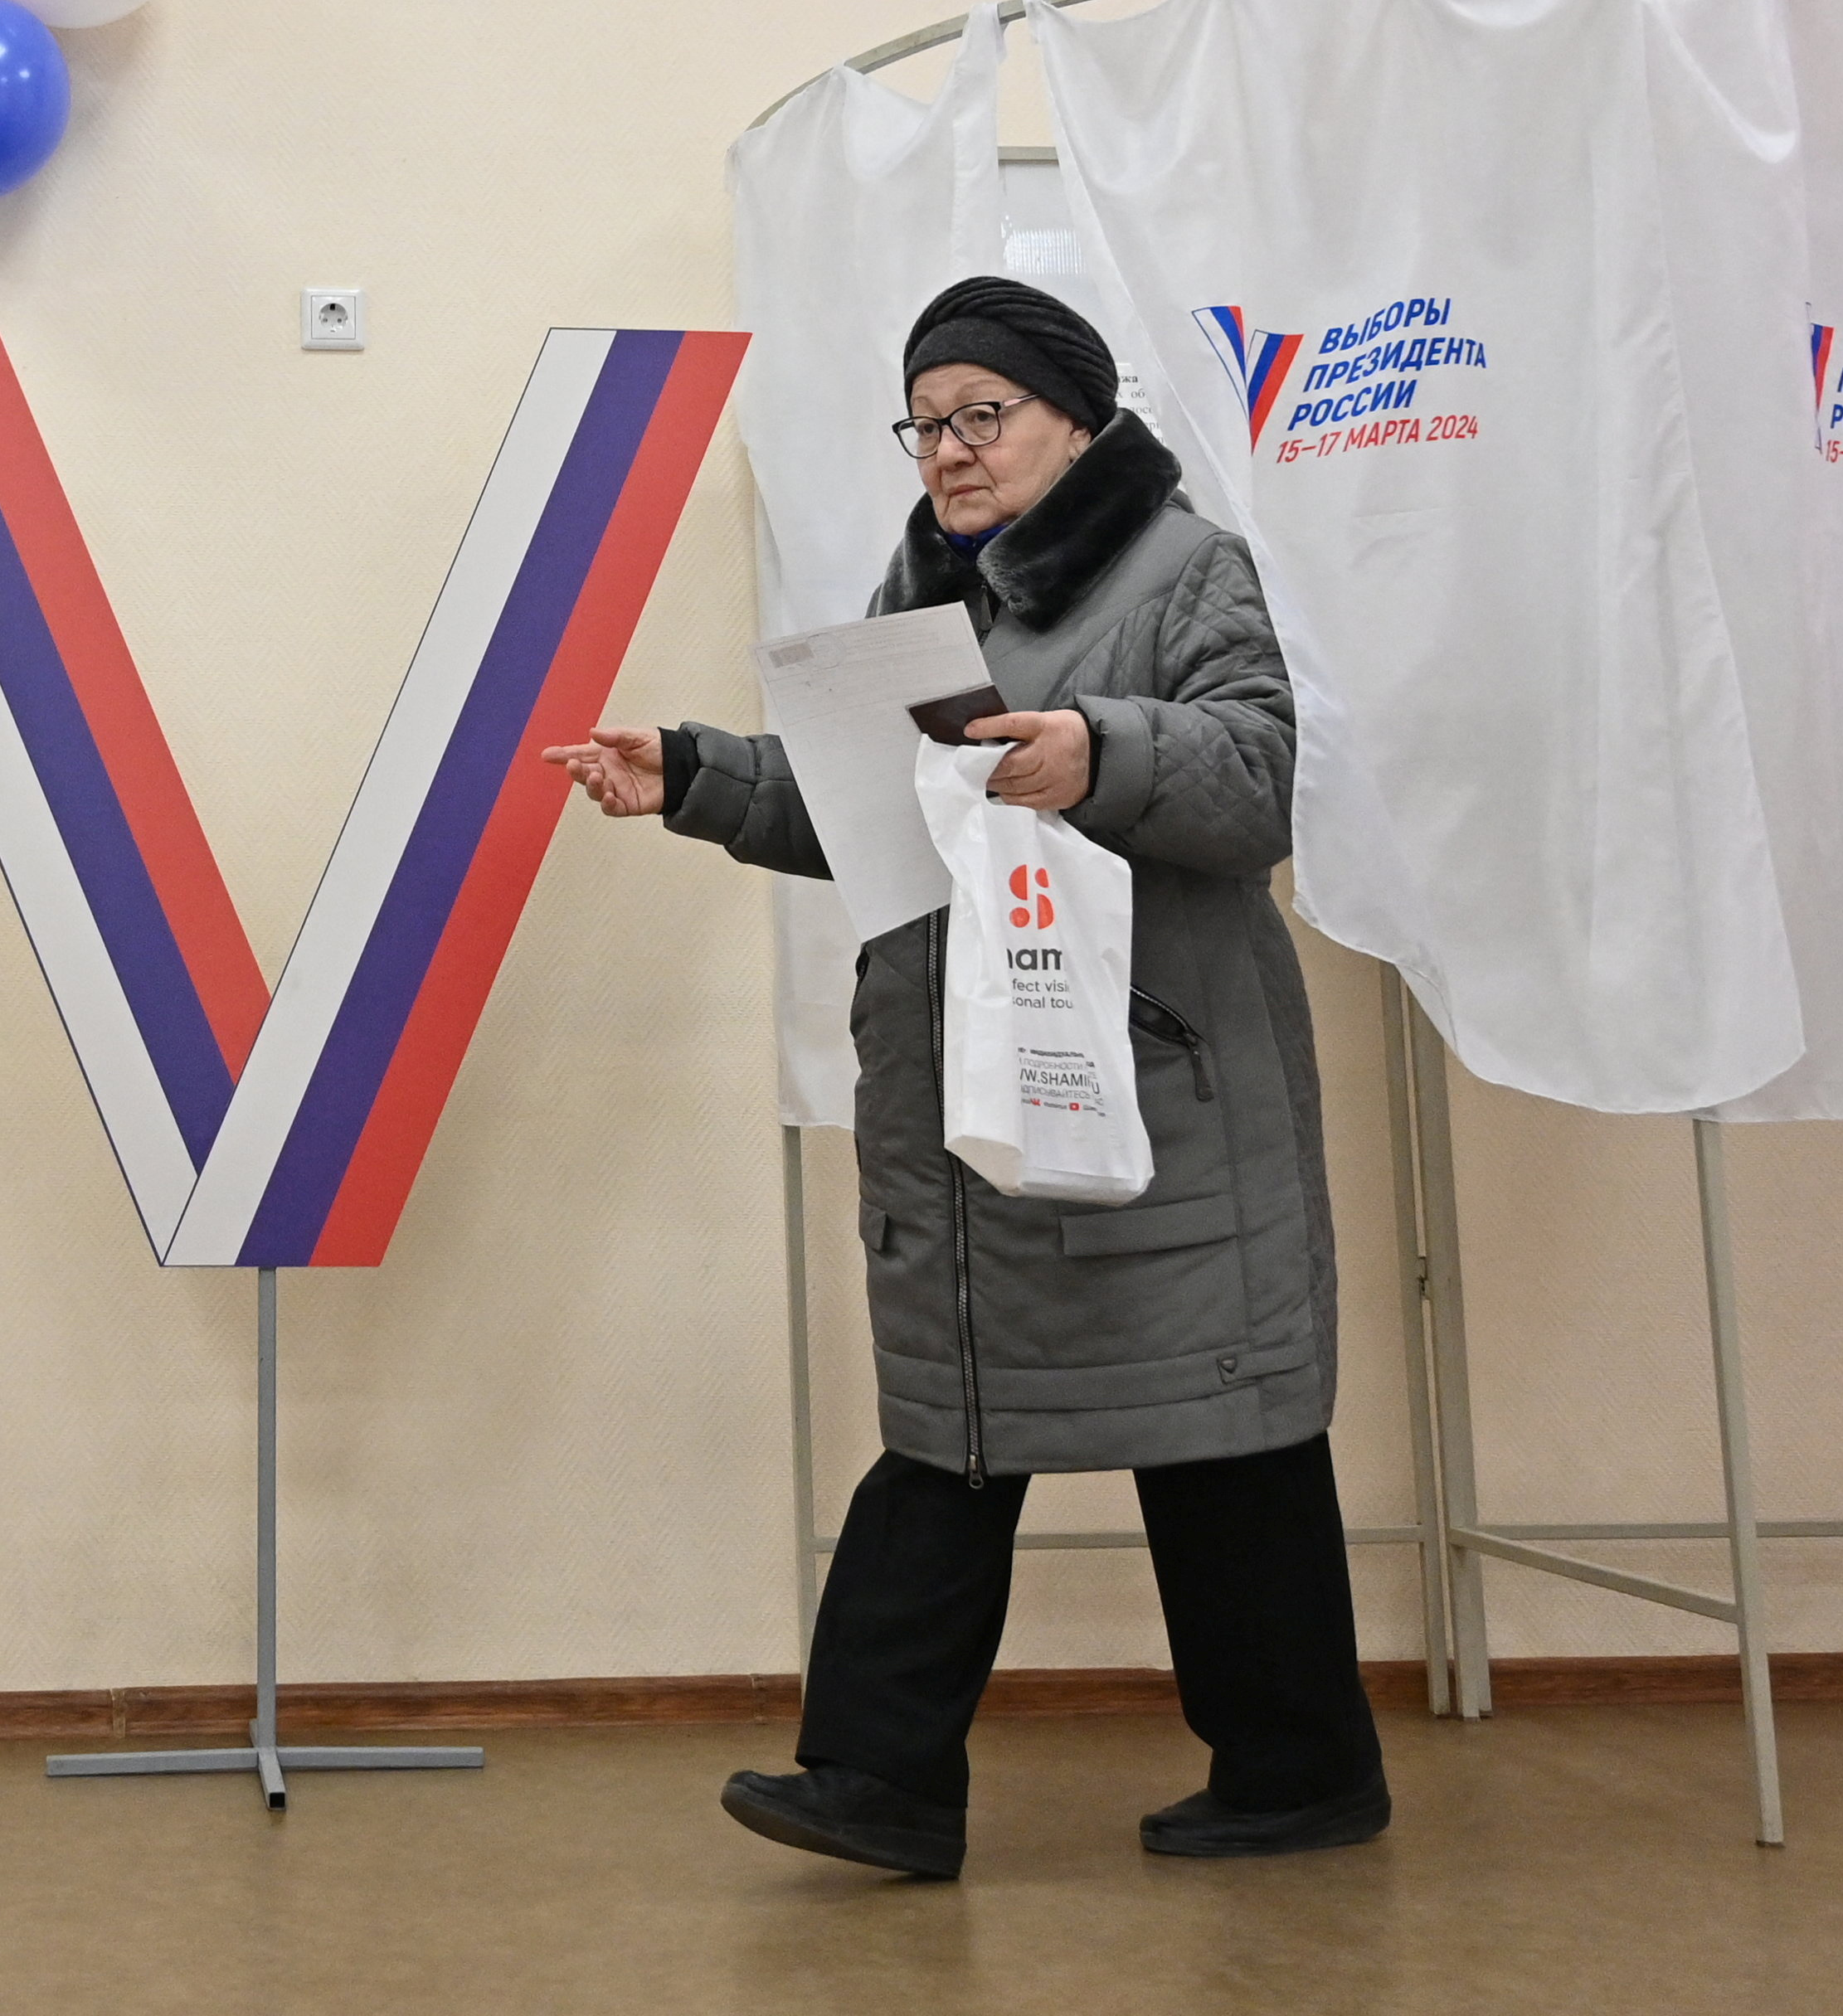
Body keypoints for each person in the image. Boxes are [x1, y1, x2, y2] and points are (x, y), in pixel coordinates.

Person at [545, 274, 1384, 1880]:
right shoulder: (922, 598)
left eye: (977, 414)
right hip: (974, 1110)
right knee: (951, 1429)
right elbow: (875, 814)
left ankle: (1297, 1765)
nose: (944, 449)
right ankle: (881, 1780)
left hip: (1158, 1102)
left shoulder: (1181, 566)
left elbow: (1256, 772)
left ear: (1073, 417)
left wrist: (1100, 748)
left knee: (1226, 1448)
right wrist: (696, 774)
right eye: (922, 422)